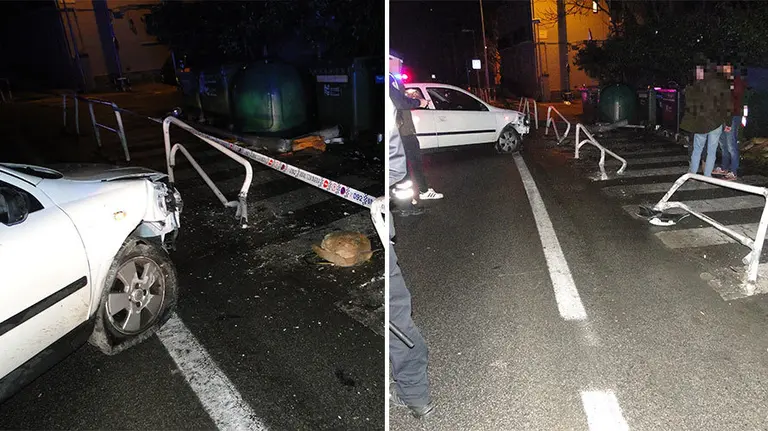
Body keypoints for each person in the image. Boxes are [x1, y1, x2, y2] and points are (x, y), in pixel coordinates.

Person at [388, 76, 435, 420]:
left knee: (394, 311)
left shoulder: (393, 97)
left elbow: (395, 164)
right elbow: (394, 164)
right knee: (394, 311)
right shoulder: (391, 96)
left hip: (379, 221)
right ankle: (414, 393)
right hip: (381, 221)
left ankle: (414, 393)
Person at [389, 73, 444, 203]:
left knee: (406, 165)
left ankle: (409, 197)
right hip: (403, 132)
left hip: (403, 130)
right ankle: (419, 193)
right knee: (412, 163)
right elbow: (401, 103)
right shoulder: (390, 79)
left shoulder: (393, 79)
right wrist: (419, 102)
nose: (399, 63)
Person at [680, 61, 732, 177]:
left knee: (697, 149)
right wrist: (728, 122)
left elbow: (689, 103)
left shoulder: (696, 85)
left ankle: (692, 173)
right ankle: (708, 175)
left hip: (700, 122)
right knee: (711, 150)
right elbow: (727, 105)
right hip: (715, 122)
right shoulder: (720, 84)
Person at [713, 65, 746, 181]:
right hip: (722, 117)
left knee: (731, 144)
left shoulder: (736, 81)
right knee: (723, 144)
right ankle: (724, 167)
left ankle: (734, 171)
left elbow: (736, 96)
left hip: (733, 116)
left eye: (727, 69)